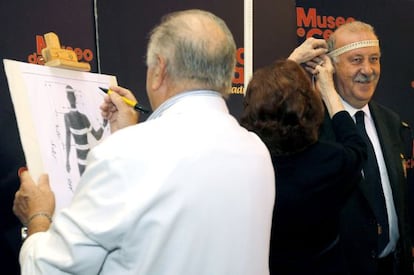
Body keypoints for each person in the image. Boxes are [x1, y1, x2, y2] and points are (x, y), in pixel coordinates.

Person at [12, 9, 275, 275]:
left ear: (159, 69)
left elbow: (48, 269)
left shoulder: (125, 154)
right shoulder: (256, 150)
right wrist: (129, 135)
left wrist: (37, 218)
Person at [240, 56, 367, 274]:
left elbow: (266, 100)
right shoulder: (330, 161)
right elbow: (356, 146)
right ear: (310, 106)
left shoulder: (244, 166)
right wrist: (329, 92)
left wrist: (290, 61)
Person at [315, 21, 413, 274]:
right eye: (356, 60)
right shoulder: (315, 128)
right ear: (332, 67)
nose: (368, 70)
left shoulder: (392, 122)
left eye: (374, 59)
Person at [64, 85, 108, 176]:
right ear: (68, 98)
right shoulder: (68, 117)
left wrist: (104, 125)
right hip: (81, 158)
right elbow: (67, 140)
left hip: (88, 157)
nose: (71, 97)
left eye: (72, 95)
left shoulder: (83, 117)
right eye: (70, 95)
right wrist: (67, 160)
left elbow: (97, 136)